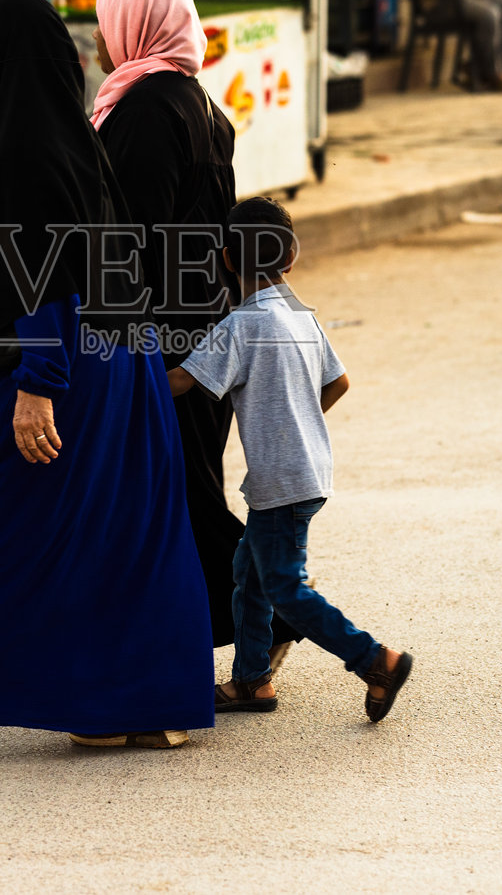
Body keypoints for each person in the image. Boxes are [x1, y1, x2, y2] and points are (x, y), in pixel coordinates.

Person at [0, 0, 213, 766]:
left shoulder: (25, 150)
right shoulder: (77, 142)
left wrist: (39, 381)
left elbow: (46, 273)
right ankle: (133, 707)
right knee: (113, 538)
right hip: (121, 367)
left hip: (60, 367)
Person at [89, 0, 306, 669]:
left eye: (105, 22)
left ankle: (279, 613)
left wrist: (110, 335)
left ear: (137, 24)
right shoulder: (199, 105)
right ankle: (223, 627)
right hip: (204, 322)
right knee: (179, 487)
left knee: (183, 494)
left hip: (166, 336)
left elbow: (130, 236)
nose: (98, 39)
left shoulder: (148, 108)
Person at [167, 196, 413, 723]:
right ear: (291, 257)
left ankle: (376, 661)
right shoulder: (302, 318)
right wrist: (299, 419)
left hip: (281, 482)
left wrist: (120, 379)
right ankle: (252, 680)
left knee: (283, 587)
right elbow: (339, 383)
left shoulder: (240, 325)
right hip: (307, 472)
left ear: (227, 259)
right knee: (249, 574)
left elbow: (181, 382)